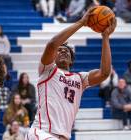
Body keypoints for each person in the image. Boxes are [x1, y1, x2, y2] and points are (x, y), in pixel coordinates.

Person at [25, 6, 117, 140]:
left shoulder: (80, 78)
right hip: (41, 132)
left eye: (66, 51)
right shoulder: (48, 70)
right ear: (53, 57)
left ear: (71, 60)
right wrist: (81, 22)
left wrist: (105, 37)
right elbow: (52, 45)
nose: (63, 51)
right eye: (60, 50)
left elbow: (104, 73)